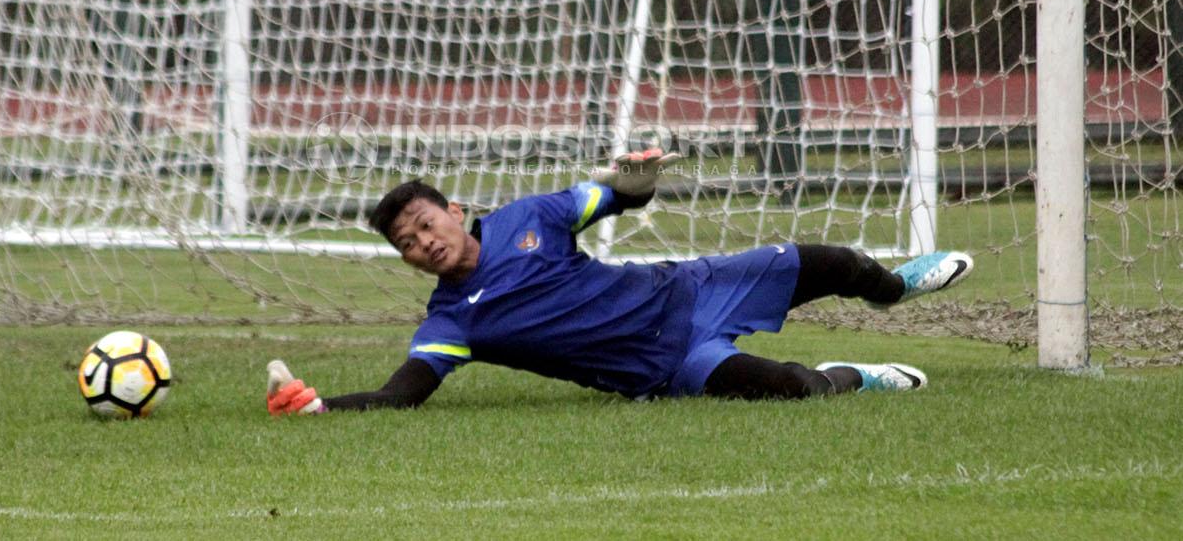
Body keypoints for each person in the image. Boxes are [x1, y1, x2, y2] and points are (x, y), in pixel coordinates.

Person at [266, 149, 973, 415]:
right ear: (408, 260)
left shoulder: (527, 217)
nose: (424, 242)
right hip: (669, 365)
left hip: (691, 287)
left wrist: (635, 177)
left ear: (454, 211)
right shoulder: (453, 323)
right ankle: (854, 375)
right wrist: (319, 406)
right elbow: (401, 396)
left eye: (426, 223)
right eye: (408, 243)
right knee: (793, 389)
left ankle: (900, 287)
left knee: (836, 264)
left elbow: (617, 197)